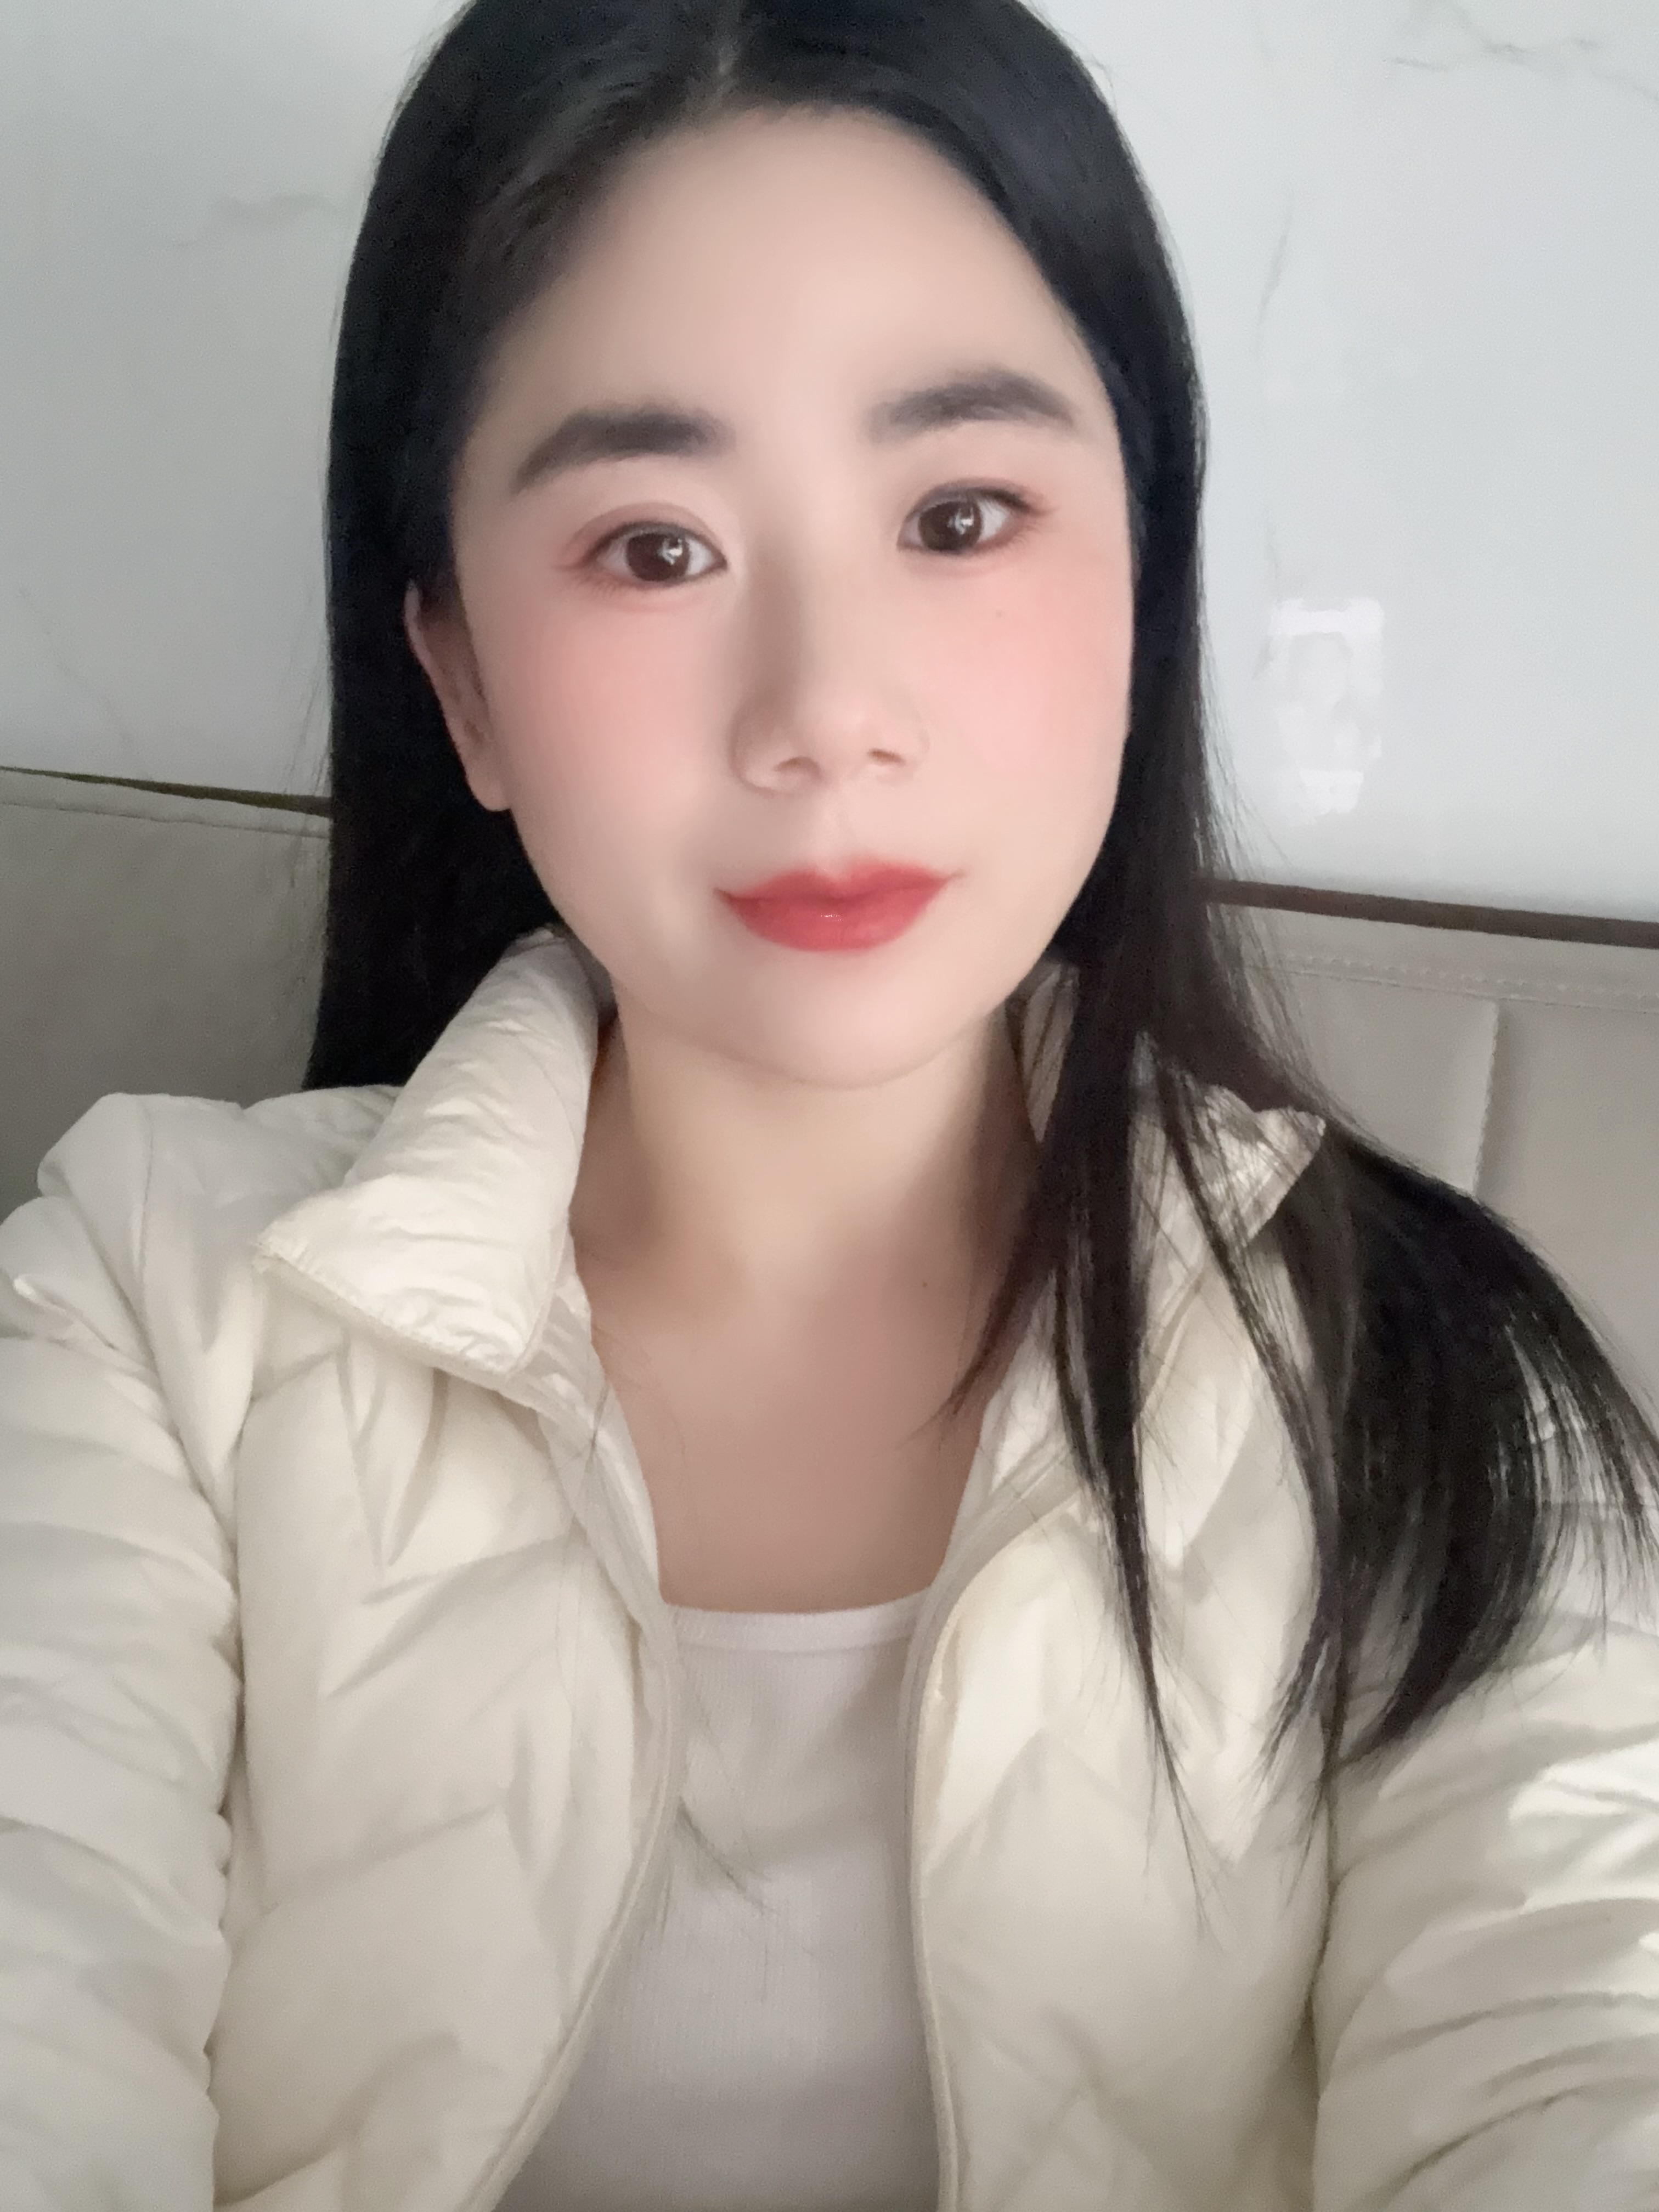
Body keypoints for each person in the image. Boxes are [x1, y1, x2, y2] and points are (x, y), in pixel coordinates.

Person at [3, 0, 1658, 2205]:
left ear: (1144, 581)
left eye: (960, 515)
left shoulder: (1431, 1390)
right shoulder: (147, 1306)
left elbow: (1578, 2058)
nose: (824, 710)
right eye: (653, 546)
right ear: (463, 677)